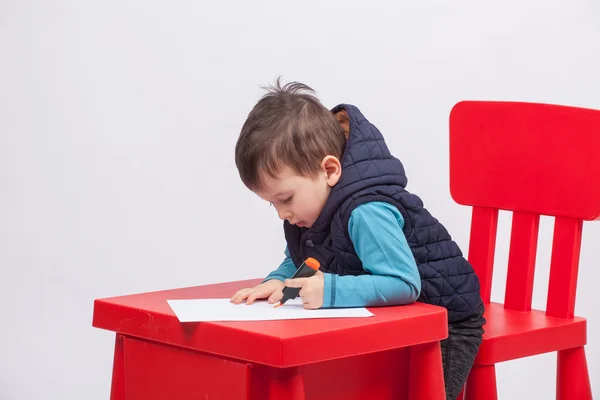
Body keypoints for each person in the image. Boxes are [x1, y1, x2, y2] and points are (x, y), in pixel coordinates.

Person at [230, 79, 485, 399]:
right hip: (396, 321)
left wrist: (330, 289)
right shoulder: (313, 209)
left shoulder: (365, 212)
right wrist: (282, 280)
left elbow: (404, 283)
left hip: (446, 323)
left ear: (330, 170)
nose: (282, 214)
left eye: (286, 199)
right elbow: (306, 260)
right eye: (273, 204)